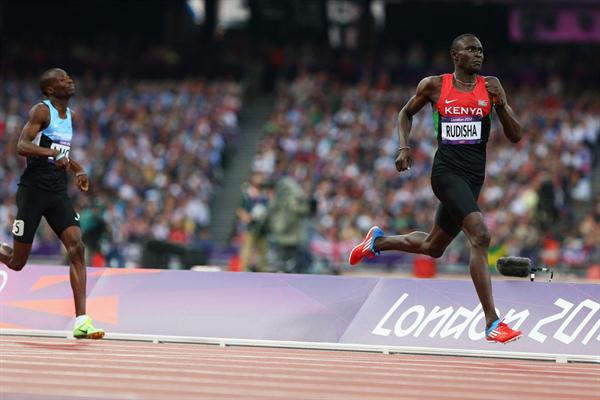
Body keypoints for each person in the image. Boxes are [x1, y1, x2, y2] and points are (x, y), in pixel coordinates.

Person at [349, 34, 523, 344]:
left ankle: (377, 242)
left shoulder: (491, 85)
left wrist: (503, 106)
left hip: (473, 178)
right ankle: (492, 322)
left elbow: (515, 136)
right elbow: (405, 113)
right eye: (471, 50)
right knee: (480, 235)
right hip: (445, 173)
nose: (478, 55)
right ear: (455, 56)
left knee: (433, 247)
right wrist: (404, 146)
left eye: (481, 50)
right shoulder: (434, 85)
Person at [0, 68, 104, 339]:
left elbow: (63, 154)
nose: (69, 80)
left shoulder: (69, 115)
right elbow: (22, 146)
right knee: (16, 262)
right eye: (61, 79)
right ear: (49, 90)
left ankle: (82, 320)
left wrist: (78, 169)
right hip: (33, 191)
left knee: (77, 247)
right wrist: (51, 152)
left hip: (58, 192)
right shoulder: (41, 111)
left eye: (69, 76)